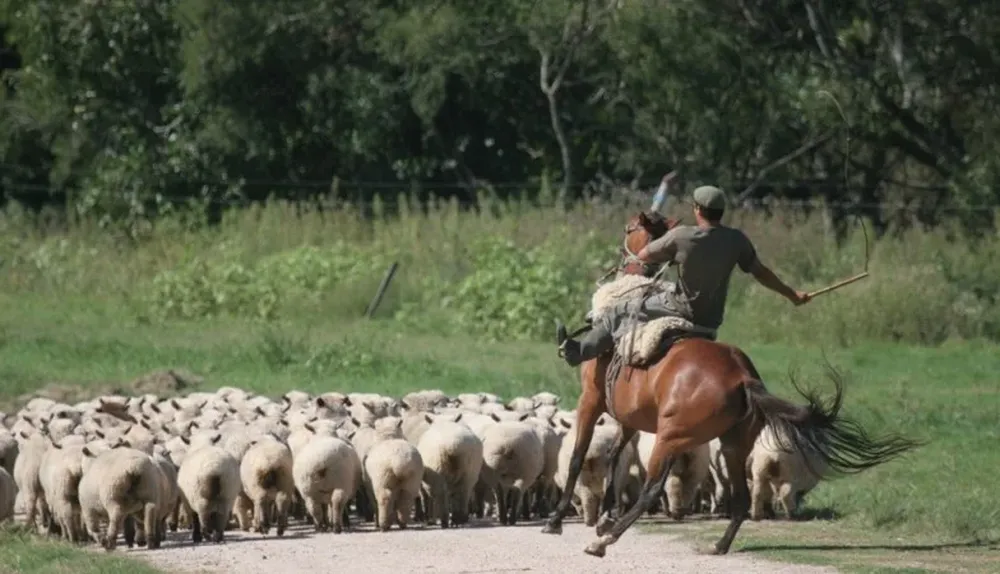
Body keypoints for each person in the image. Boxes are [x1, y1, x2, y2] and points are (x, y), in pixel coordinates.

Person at [556, 184, 812, 367]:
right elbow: (762, 273)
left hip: (680, 308)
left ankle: (578, 352)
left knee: (618, 312)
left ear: (698, 209)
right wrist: (793, 295)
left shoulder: (682, 236)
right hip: (711, 319)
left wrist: (671, 253)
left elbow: (643, 255)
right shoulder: (737, 240)